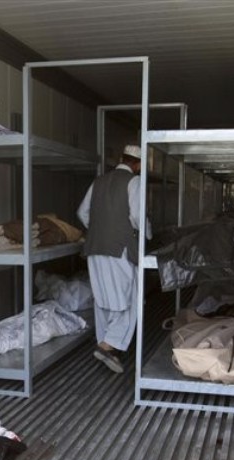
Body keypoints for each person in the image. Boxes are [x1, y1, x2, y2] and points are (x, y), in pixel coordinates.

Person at [77, 144, 152, 373]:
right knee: (127, 297)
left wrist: (100, 229)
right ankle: (108, 346)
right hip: (119, 250)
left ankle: (106, 345)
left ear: (121, 158)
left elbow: (82, 213)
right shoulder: (134, 181)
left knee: (103, 299)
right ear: (138, 165)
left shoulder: (98, 181)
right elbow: (137, 216)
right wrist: (148, 235)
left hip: (94, 248)